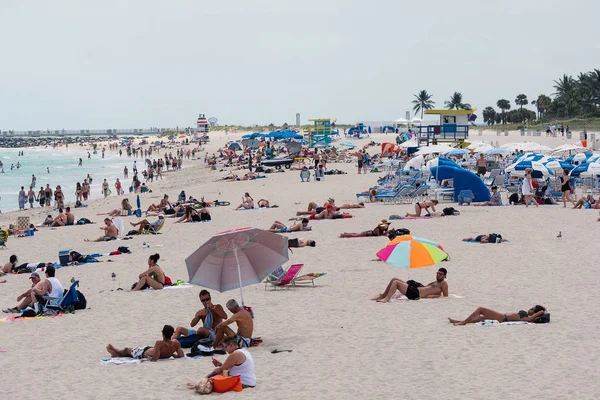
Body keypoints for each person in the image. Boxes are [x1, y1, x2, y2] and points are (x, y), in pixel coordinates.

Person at [188, 336, 256, 390]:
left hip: (243, 383)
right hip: (250, 381)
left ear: (231, 345)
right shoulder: (244, 351)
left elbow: (219, 370)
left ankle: (199, 383)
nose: (224, 349)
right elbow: (235, 367)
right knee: (219, 375)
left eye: (225, 347)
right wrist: (220, 364)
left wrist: (203, 379)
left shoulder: (235, 354)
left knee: (206, 385)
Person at [106, 325, 184, 361]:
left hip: (143, 352)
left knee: (127, 350)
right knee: (128, 353)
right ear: (172, 334)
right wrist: (171, 354)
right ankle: (115, 354)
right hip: (148, 349)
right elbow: (181, 355)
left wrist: (147, 357)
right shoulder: (176, 343)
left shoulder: (159, 343)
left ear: (162, 333)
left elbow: (155, 358)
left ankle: (115, 350)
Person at [373, 268, 449, 303]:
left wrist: (431, 297)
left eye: (440, 274)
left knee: (396, 282)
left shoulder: (443, 284)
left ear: (445, 276)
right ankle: (383, 296)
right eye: (437, 273)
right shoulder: (435, 282)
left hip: (417, 294)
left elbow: (445, 296)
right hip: (415, 290)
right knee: (394, 279)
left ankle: (387, 299)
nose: (438, 275)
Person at [448, 305, 547, 326]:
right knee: (481, 318)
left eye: (533, 309)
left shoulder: (528, 318)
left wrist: (540, 312)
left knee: (481, 309)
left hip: (503, 318)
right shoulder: (525, 314)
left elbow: (531, 319)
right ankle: (459, 320)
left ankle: (464, 322)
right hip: (502, 316)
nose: (530, 308)